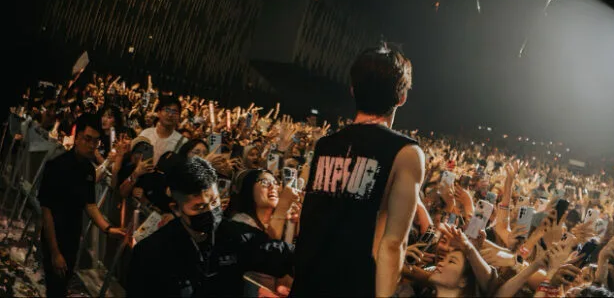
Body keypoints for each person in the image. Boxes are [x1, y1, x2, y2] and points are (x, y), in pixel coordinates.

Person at [291, 45, 425, 297]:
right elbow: (393, 243)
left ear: (353, 90)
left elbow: (310, 221)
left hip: (306, 284)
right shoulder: (406, 153)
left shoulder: (325, 145)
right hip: (354, 286)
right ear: (402, 97)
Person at [126, 157, 295, 296]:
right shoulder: (151, 253)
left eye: (214, 202)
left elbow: (285, 256)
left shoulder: (236, 235)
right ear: (176, 209)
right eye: (199, 207)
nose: (211, 213)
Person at [37, 113, 126, 297]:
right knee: (55, 287)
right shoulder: (56, 166)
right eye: (87, 139)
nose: (92, 145)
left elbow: (90, 204)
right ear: (77, 138)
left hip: (73, 234)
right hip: (54, 234)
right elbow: (46, 211)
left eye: (96, 141)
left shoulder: (88, 169)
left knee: (63, 284)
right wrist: (55, 252)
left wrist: (108, 229)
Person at [226, 168, 300, 239]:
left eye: (275, 183)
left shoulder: (282, 220)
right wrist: (282, 207)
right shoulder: (239, 223)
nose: (273, 187)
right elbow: (269, 245)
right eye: (265, 182)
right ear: (248, 189)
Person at [138, 95, 186, 163]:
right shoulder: (145, 134)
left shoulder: (182, 142)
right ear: (158, 113)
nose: (170, 115)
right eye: (167, 110)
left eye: (174, 112)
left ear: (179, 116)